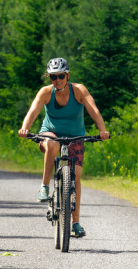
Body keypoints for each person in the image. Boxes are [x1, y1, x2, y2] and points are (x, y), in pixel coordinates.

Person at [17, 57, 109, 238]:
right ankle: (44, 186)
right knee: (53, 143)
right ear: (49, 78)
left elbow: (94, 110)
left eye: (60, 76)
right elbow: (33, 111)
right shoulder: (45, 92)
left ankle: (75, 223)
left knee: (76, 176)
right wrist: (25, 128)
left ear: (67, 75)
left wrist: (102, 130)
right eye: (53, 77)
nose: (57, 80)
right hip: (51, 132)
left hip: (75, 136)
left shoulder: (79, 90)